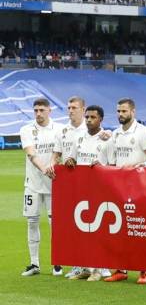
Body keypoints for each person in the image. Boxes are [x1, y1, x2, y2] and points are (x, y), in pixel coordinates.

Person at [105, 98, 146, 284]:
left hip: (140, 187)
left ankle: (145, 271)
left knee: (140, 230)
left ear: (133, 112)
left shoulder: (143, 132)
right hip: (120, 188)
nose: (121, 115)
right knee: (121, 231)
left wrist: (142, 165)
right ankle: (120, 269)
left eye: (124, 111)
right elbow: (112, 162)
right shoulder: (115, 134)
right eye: (118, 111)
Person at [59, 105, 114, 282]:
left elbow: (114, 166)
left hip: (101, 190)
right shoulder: (79, 137)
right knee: (82, 230)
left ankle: (99, 269)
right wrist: (69, 160)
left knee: (99, 230)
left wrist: (102, 167)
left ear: (101, 120)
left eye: (93, 117)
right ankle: (85, 267)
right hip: (82, 190)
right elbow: (72, 158)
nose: (89, 120)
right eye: (87, 117)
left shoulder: (107, 139)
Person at [20, 98, 58, 277]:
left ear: (49, 110)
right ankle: (34, 263)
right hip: (33, 184)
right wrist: (45, 169)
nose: (38, 114)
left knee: (55, 224)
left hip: (54, 185)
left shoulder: (59, 129)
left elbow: (59, 152)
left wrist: (52, 164)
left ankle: (57, 263)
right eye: (35, 110)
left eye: (42, 110)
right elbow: (30, 153)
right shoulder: (26, 129)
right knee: (32, 221)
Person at [52, 96, 88, 278]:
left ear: (83, 109)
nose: (70, 110)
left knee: (88, 224)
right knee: (72, 225)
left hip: (87, 185)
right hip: (68, 186)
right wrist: (53, 164)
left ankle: (96, 265)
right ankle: (77, 264)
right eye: (68, 107)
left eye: (74, 107)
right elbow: (56, 154)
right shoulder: (62, 130)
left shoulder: (90, 128)